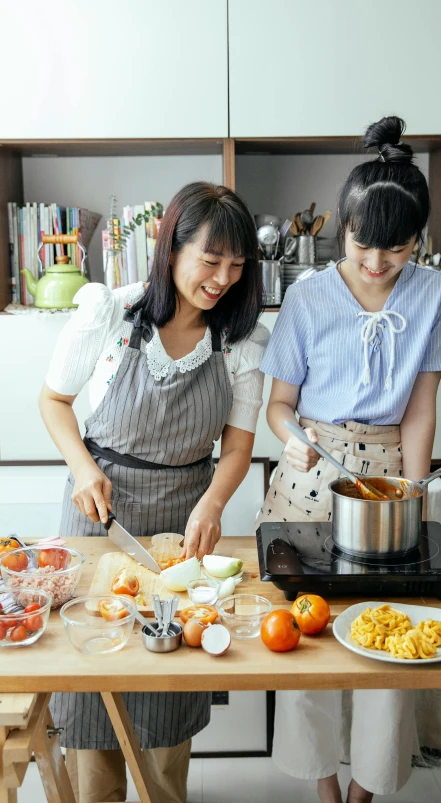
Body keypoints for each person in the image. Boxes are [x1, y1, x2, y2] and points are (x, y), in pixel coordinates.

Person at [256, 116, 441, 803]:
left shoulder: (434, 294)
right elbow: (278, 404)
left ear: (419, 241)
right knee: (309, 634)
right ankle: (323, 788)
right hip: (309, 469)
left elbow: (421, 405)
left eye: (396, 249)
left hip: (386, 475)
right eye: (360, 245)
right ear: (339, 227)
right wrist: (289, 434)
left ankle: (365, 791)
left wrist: (409, 488)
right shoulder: (308, 295)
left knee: (389, 633)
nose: (375, 262)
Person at [39, 181, 269, 803]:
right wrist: (84, 468)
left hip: (183, 519)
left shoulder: (241, 342)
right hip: (99, 510)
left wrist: (214, 502)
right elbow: (54, 402)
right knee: (94, 688)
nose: (223, 278)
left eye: (236, 265)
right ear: (170, 250)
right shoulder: (111, 313)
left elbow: (239, 447)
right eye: (210, 260)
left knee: (170, 683)